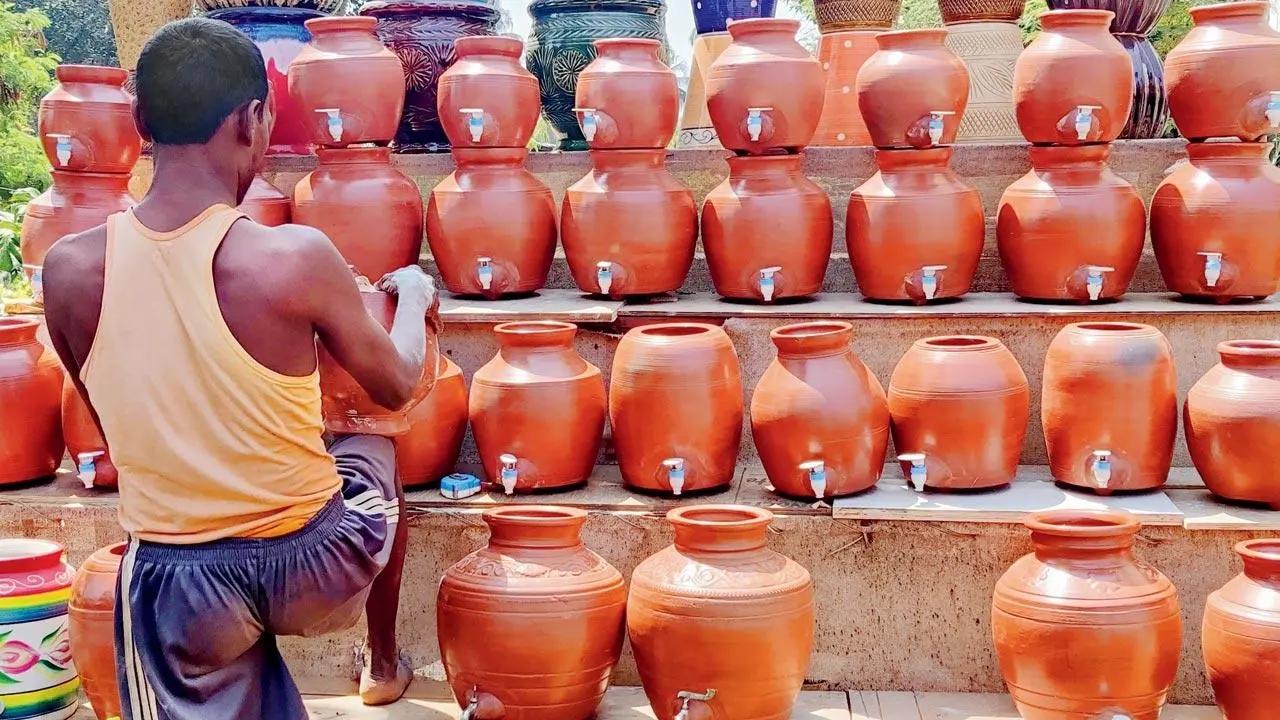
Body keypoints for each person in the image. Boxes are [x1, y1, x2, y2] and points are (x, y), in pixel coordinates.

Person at [41, 17, 439, 720]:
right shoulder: (294, 257)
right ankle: (381, 660)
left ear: (139, 122)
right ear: (252, 120)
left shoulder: (69, 270)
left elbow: (117, 422)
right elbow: (398, 383)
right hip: (313, 565)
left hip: (177, 587)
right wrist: (413, 296)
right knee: (372, 441)